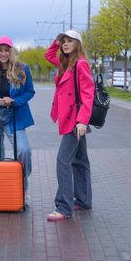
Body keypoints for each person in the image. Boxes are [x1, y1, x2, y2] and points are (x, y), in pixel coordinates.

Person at [45, 30, 95, 221]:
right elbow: (49, 55)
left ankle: (64, 207)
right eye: (63, 41)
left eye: (69, 41)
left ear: (78, 44)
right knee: (80, 161)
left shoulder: (80, 64)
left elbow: (88, 93)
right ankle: (83, 200)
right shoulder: (65, 64)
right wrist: (56, 41)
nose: (65, 44)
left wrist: (82, 121)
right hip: (71, 118)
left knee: (63, 160)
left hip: (76, 121)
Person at [0, 35, 35, 203]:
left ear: (11, 51)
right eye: (0, 51)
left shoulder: (22, 69)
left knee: (24, 151)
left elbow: (29, 92)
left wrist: (14, 101)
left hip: (14, 116)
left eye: (6, 50)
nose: (3, 54)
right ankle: (0, 192)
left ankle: (23, 187)